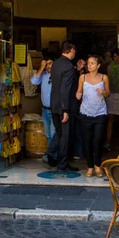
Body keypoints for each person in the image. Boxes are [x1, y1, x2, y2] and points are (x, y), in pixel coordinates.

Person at [45, 41, 79, 171]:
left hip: (54, 104)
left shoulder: (56, 64)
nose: (75, 53)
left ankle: (50, 152)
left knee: (59, 133)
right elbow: (65, 89)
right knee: (65, 135)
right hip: (64, 106)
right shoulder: (69, 67)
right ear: (70, 50)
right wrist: (65, 110)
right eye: (74, 51)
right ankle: (63, 163)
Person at [76, 55, 110, 177]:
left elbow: (108, 94)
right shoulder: (82, 77)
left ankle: (97, 165)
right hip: (85, 113)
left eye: (92, 63)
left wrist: (104, 92)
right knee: (87, 141)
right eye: (88, 63)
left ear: (98, 66)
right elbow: (79, 91)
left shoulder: (103, 77)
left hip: (100, 113)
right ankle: (89, 167)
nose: (89, 65)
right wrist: (78, 95)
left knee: (98, 140)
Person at [31, 58, 55, 144]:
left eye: (50, 63)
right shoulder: (43, 74)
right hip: (45, 109)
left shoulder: (58, 75)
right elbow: (34, 81)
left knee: (53, 133)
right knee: (48, 133)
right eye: (46, 64)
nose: (48, 66)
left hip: (54, 109)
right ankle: (50, 154)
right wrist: (41, 67)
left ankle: (54, 155)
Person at [104, 48, 119, 151]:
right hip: (112, 94)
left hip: (118, 94)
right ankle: (108, 142)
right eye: (114, 57)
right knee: (111, 119)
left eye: (116, 56)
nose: (115, 59)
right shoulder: (110, 67)